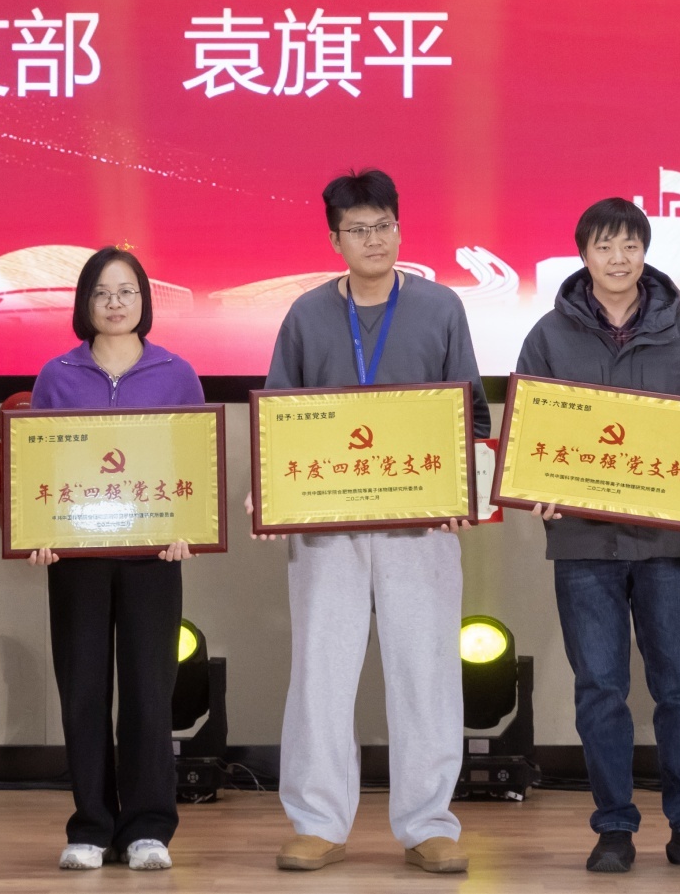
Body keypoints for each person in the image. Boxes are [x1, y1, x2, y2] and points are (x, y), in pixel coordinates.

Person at [258, 170, 486, 874]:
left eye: (384, 225)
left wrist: (464, 495)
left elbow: (473, 414)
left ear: (400, 229)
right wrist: (269, 494)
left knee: (427, 667)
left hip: (421, 523)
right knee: (321, 670)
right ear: (335, 239)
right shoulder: (305, 314)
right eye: (358, 229)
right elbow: (279, 418)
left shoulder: (441, 307)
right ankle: (318, 822)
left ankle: (428, 824)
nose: (374, 239)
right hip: (327, 524)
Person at [514, 198, 680, 875]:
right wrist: (532, 481)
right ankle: (613, 825)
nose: (618, 258)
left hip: (665, 543)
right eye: (604, 246)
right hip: (583, 544)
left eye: (630, 245)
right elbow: (528, 432)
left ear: (646, 251)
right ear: (583, 254)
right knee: (600, 689)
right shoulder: (548, 335)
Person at [24, 246, 207, 873]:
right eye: (102, 292)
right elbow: (38, 467)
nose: (114, 303)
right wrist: (37, 533)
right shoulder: (57, 375)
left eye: (127, 291)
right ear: (84, 303)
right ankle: (91, 826)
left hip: (154, 555)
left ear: (144, 300)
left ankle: (148, 827)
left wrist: (189, 530)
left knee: (150, 690)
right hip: (76, 557)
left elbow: (193, 464)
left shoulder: (176, 373)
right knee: (82, 687)